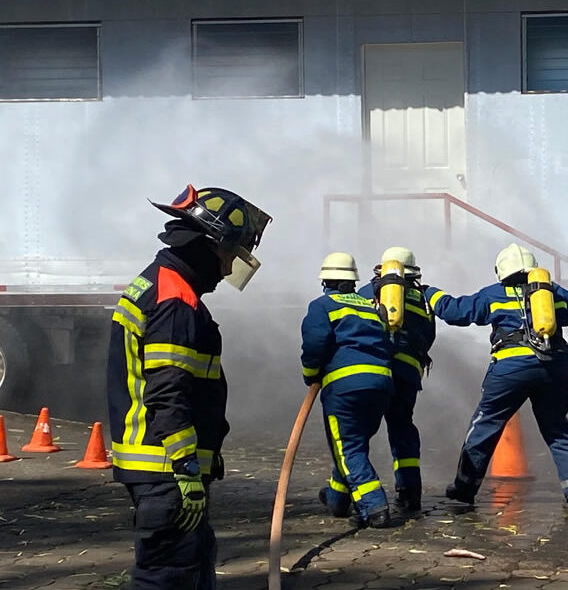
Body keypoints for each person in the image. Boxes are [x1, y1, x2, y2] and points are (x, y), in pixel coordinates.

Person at [107, 184, 270, 589]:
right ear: (211, 245)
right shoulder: (175, 300)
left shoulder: (158, 283)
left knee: (192, 569)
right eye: (232, 254)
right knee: (167, 577)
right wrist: (186, 468)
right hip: (166, 471)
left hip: (159, 470)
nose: (231, 267)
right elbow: (167, 392)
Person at [424, 243, 568, 509]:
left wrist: (430, 293)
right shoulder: (552, 294)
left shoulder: (494, 294)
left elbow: (456, 313)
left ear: (502, 271)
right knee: (557, 429)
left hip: (511, 369)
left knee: (486, 425)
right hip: (553, 368)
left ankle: (464, 488)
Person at [301, 252, 394, 528]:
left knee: (348, 448)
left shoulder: (322, 306)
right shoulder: (370, 307)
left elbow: (315, 345)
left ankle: (375, 506)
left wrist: (310, 375)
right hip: (381, 386)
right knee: (354, 444)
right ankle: (337, 499)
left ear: (325, 281)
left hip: (345, 389)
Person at [359, 246, 435, 516]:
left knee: (358, 432)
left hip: (377, 368)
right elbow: (429, 335)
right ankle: (410, 492)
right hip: (408, 372)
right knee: (402, 428)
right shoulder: (423, 298)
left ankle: (348, 494)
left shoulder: (370, 292)